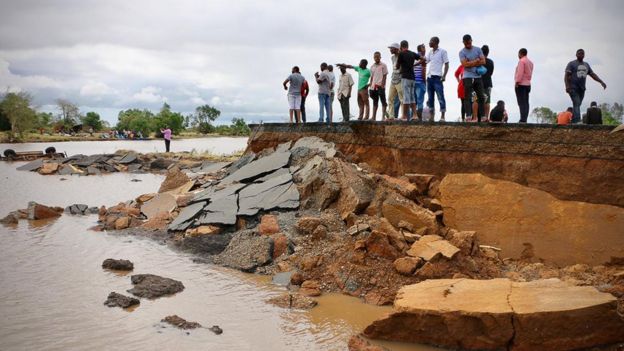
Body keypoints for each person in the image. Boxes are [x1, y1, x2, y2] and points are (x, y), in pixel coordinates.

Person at [565, 49, 607, 123]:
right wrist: (567, 86)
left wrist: (601, 81)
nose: (581, 55)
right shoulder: (571, 64)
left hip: (582, 89)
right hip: (573, 88)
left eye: (582, 54)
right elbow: (566, 76)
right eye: (579, 53)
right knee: (577, 103)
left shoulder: (586, 65)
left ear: (584, 55)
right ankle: (577, 121)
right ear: (576, 55)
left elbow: (592, 75)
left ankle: (574, 121)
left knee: (577, 105)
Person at [459, 34, 486, 122]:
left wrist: (470, 63)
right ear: (463, 42)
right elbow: (464, 65)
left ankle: (483, 116)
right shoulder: (462, 52)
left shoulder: (478, 49)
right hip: (467, 77)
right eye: (466, 43)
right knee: (467, 97)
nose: (468, 44)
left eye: (469, 42)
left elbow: (483, 61)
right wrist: (476, 61)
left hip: (478, 76)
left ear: (471, 40)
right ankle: (468, 116)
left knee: (481, 96)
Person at [396, 40, 422, 121]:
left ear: (401, 46)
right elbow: (423, 59)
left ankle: (404, 116)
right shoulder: (412, 53)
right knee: (412, 97)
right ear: (407, 46)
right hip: (413, 78)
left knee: (406, 97)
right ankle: (415, 115)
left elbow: (397, 66)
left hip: (405, 77)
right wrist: (414, 64)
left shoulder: (401, 54)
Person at [426, 36, 449, 121]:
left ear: (435, 42)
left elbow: (446, 64)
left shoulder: (443, 51)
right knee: (430, 98)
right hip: (429, 77)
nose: (429, 43)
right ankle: (431, 116)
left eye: (430, 41)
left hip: (437, 78)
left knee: (440, 97)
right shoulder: (430, 52)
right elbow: (425, 61)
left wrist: (444, 76)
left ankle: (442, 116)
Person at [514, 48, 534, 123]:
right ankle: (524, 118)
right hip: (528, 84)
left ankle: (522, 119)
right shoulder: (530, 62)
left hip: (521, 84)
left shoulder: (521, 61)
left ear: (520, 53)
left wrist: (517, 82)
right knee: (526, 102)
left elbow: (520, 73)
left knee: (521, 102)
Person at [369, 51, 389, 121]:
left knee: (383, 101)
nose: (376, 58)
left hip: (380, 86)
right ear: (373, 58)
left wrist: (383, 85)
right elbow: (372, 77)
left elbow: (385, 75)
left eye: (378, 56)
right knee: (375, 101)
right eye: (375, 57)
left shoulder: (383, 65)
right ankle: (373, 117)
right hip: (373, 86)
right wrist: (371, 85)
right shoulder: (372, 66)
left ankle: (383, 117)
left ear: (380, 57)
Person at [386, 43, 403, 120]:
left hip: (400, 79)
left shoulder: (402, 56)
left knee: (402, 99)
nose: (390, 50)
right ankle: (391, 116)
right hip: (393, 79)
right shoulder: (392, 57)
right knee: (390, 98)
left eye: (391, 48)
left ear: (396, 49)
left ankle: (403, 116)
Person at [413, 44, 427, 120]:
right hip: (420, 81)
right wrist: (425, 82)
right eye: (423, 48)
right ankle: (419, 118)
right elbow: (423, 71)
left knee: (414, 101)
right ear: (419, 50)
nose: (425, 50)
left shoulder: (414, 57)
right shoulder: (423, 58)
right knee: (420, 101)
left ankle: (414, 117)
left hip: (413, 82)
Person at [481, 45, 494, 118]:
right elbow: (491, 73)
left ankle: (479, 117)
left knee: (477, 100)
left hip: (479, 83)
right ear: (488, 52)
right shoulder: (491, 62)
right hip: (488, 83)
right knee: (487, 101)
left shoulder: (479, 61)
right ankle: (486, 116)